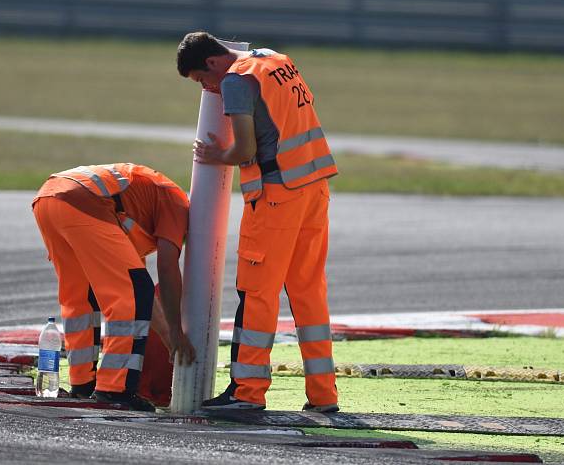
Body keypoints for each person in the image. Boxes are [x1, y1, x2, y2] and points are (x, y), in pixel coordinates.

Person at [177, 31, 339, 412]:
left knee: (256, 294)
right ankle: (323, 396)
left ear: (214, 63)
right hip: (314, 189)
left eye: (203, 80)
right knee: (309, 293)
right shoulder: (276, 60)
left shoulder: (235, 79)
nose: (208, 89)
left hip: (276, 196)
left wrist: (218, 155)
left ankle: (247, 393)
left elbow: (245, 148)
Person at [32, 163, 195, 411]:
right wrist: (175, 331)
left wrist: (168, 338)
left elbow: (141, 290)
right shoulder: (178, 205)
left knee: (81, 298)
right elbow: (166, 269)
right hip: (84, 201)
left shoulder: (140, 209)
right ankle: (114, 390)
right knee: (131, 296)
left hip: (48, 197)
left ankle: (82, 385)